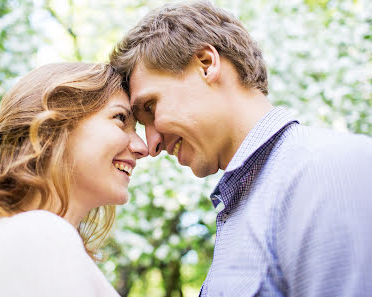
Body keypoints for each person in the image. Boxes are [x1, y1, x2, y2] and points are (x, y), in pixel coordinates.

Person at [110, 1, 372, 296]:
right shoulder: (241, 205)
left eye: (151, 106)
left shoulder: (330, 171)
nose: (152, 144)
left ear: (206, 64)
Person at [0, 62, 148, 297]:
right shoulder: (36, 235)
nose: (141, 147)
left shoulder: (19, 239)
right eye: (119, 118)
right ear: (52, 126)